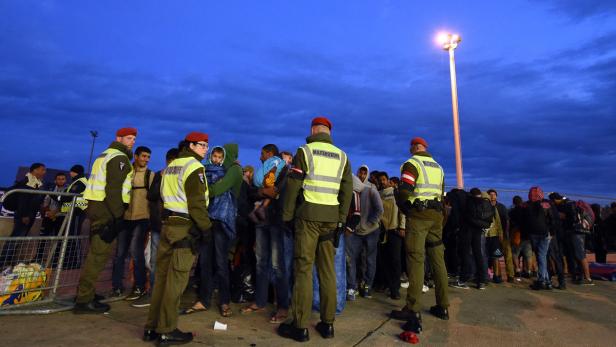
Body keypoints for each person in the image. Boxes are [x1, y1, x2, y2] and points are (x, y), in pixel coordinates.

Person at [278, 116, 352, 342]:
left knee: (303, 269)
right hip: (331, 219)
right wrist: (340, 220)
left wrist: (287, 216)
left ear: (313, 130)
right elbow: (346, 191)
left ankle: (300, 326)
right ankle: (327, 324)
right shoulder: (342, 156)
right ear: (329, 132)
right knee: (328, 270)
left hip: (308, 217)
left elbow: (293, 186)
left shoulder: (305, 151)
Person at [144, 132, 212, 345]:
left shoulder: (171, 166)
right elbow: (196, 203)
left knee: (162, 280)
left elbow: (162, 197)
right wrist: (206, 229)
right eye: (202, 145)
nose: (206, 149)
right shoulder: (194, 167)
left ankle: (152, 328)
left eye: (207, 145)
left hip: (168, 225)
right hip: (185, 228)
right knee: (177, 281)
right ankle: (167, 329)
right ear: (191, 145)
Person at [390, 137, 449, 334]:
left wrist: (404, 207)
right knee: (438, 260)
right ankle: (443, 306)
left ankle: (413, 310)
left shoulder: (412, 164)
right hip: (436, 218)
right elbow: (441, 195)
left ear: (414, 148)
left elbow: (405, 190)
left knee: (415, 260)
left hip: (419, 218)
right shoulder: (438, 167)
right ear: (426, 148)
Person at [74, 127, 136, 314]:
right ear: (119, 138)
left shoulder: (104, 155)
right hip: (106, 211)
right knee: (98, 256)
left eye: (133, 138)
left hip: (96, 208)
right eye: (128, 138)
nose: (132, 141)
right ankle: (84, 300)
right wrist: (118, 216)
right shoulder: (119, 157)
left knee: (94, 253)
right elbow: (114, 190)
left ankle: (88, 293)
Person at [185, 144, 241, 318]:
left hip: (221, 221)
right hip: (208, 221)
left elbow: (216, 190)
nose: (218, 159)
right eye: (215, 156)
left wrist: (207, 191)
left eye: (221, 156)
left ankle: (224, 301)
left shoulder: (234, 171)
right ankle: (204, 299)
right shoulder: (207, 170)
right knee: (205, 262)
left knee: (220, 263)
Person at [242, 144, 293, 324]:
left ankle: (283, 307)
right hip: (261, 222)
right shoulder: (261, 173)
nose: (260, 157)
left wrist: (266, 193)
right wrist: (263, 192)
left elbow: (279, 193)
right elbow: (252, 194)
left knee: (278, 265)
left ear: (270, 154)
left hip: (277, 222)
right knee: (261, 262)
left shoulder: (285, 171)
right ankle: (260, 301)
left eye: (262, 154)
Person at [132, 148, 178, 308]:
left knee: (171, 261)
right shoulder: (159, 175)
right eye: (170, 162)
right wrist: (162, 180)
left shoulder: (181, 177)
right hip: (158, 224)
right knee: (154, 261)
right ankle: (152, 293)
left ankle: (168, 295)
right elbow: (151, 195)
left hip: (173, 225)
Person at [111, 146, 153, 301]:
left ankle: (139, 287)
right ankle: (116, 287)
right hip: (125, 217)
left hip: (141, 218)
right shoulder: (127, 172)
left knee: (136, 254)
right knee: (120, 254)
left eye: (148, 157)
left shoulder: (150, 175)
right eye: (143, 156)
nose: (146, 159)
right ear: (136, 156)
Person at [345, 174, 383, 299]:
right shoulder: (350, 192)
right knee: (351, 259)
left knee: (369, 260)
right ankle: (352, 286)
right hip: (355, 231)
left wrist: (369, 223)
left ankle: (367, 286)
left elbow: (379, 209)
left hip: (371, 231)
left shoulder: (371, 191)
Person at [0, 163, 46, 266]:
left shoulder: (36, 182)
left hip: (30, 214)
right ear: (35, 170)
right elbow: (23, 199)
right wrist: (24, 215)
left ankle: (8, 262)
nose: (44, 172)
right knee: (15, 239)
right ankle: (3, 262)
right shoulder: (28, 181)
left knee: (18, 239)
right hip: (24, 216)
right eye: (42, 170)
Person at [551, 192, 594, 285]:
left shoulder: (567, 205)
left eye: (553, 201)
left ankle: (587, 278)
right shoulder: (569, 203)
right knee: (577, 255)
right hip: (578, 232)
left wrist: (562, 217)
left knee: (580, 255)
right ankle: (580, 277)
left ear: (555, 200)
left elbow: (571, 219)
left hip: (576, 232)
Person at [376, 171, 405, 300]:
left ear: (388, 180)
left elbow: (402, 211)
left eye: (383, 179)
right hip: (382, 231)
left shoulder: (395, 193)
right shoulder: (378, 195)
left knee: (395, 260)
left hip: (395, 230)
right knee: (385, 260)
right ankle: (387, 284)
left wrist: (402, 226)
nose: (382, 182)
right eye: (380, 180)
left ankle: (395, 288)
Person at [34, 172, 67, 265]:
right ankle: (38, 257)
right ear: (55, 180)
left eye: (63, 179)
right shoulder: (51, 188)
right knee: (43, 237)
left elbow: (66, 204)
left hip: (60, 217)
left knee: (58, 239)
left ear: (65, 180)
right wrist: (49, 211)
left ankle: (55, 259)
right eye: (59, 179)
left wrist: (55, 212)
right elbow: (45, 202)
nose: (61, 180)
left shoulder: (68, 190)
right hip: (49, 217)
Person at [525, 187, 553, 290]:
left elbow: (526, 221)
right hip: (546, 233)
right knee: (543, 257)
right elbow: (552, 218)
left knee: (540, 257)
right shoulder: (546, 204)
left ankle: (542, 280)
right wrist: (552, 231)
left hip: (534, 234)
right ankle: (547, 281)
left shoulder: (527, 205)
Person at [487, 189, 515, 283]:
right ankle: (497, 275)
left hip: (502, 235)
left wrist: (505, 233)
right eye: (490, 194)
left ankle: (510, 276)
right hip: (493, 236)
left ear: (496, 196)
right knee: (496, 255)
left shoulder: (501, 207)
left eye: (494, 194)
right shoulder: (487, 206)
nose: (492, 196)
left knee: (507, 255)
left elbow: (506, 221)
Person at [510, 196, 533, 278]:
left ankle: (517, 270)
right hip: (527, 236)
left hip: (517, 235)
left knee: (515, 254)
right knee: (528, 255)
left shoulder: (513, 211)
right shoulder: (527, 210)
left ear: (513, 202)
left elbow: (510, 223)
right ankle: (529, 271)